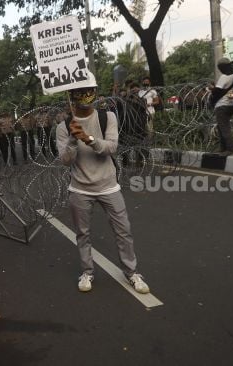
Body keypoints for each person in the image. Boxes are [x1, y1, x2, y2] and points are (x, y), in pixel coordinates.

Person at [56, 73, 150, 294]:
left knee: (123, 231)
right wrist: (72, 138)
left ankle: (132, 273)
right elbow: (65, 160)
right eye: (79, 91)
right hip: (79, 188)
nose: (84, 95)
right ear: (71, 95)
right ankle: (87, 272)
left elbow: (111, 148)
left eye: (89, 90)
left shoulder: (108, 117)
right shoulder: (63, 126)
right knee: (83, 234)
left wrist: (88, 139)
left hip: (109, 186)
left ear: (95, 92)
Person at [211, 58, 233, 156]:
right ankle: (222, 147)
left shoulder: (224, 77)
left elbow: (217, 91)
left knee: (224, 127)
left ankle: (230, 148)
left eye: (220, 68)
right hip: (232, 104)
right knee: (220, 126)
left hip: (222, 104)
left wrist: (212, 89)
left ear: (221, 67)